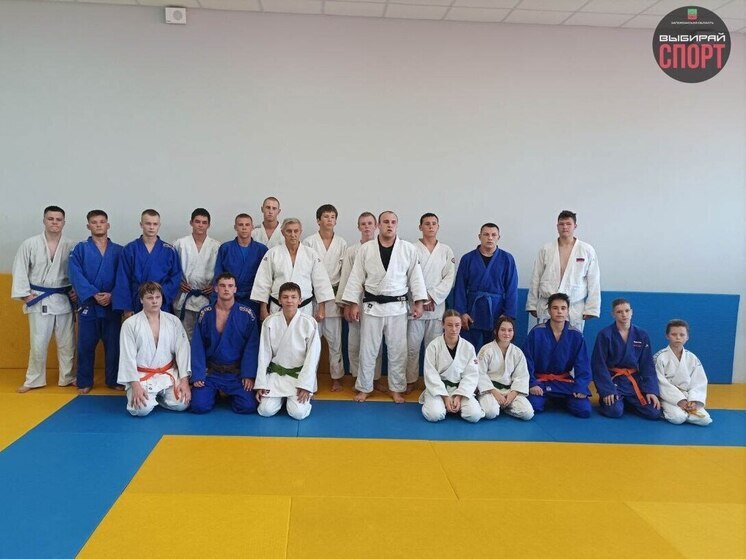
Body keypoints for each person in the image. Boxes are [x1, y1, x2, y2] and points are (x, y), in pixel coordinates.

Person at [340, 211, 428, 403]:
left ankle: (396, 389)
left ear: (397, 225)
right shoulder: (366, 249)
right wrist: (353, 303)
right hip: (372, 306)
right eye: (385, 222)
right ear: (379, 225)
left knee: (398, 351)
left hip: (397, 307)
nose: (389, 225)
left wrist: (419, 303)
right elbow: (356, 277)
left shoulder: (407, 249)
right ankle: (364, 387)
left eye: (393, 222)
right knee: (368, 349)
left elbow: (416, 277)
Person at [12, 205, 77, 392]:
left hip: (63, 298)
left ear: (64, 222)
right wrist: (24, 294)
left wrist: (76, 290)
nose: (54, 222)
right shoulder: (30, 244)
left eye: (58, 219)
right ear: (44, 220)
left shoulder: (72, 245)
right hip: (39, 298)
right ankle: (33, 380)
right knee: (38, 342)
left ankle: (67, 376)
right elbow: (20, 268)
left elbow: (78, 271)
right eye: (51, 219)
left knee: (67, 342)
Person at [68, 210, 123, 393]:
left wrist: (113, 294)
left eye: (102, 221)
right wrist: (92, 293)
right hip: (89, 305)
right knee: (85, 344)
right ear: (88, 226)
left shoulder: (119, 251)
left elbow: (124, 276)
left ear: (108, 225)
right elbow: (75, 273)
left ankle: (113, 379)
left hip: (112, 305)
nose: (98, 225)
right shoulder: (80, 249)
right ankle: (84, 381)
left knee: (114, 345)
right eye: (94, 222)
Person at [117, 281, 191, 417]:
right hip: (142, 376)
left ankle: (158, 398)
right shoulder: (130, 324)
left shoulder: (173, 321)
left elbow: (183, 351)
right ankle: (150, 397)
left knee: (183, 404)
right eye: (150, 298)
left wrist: (184, 381)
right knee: (141, 410)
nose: (155, 301)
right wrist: (135, 386)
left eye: (158, 297)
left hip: (167, 373)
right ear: (141, 300)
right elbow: (127, 357)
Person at [190, 273, 260, 414]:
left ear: (235, 289)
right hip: (211, 372)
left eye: (230, 286)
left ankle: (229, 394)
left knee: (248, 406)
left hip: (236, 373)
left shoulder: (247, 314)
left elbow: (252, 347)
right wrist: (198, 374)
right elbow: (197, 345)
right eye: (222, 286)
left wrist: (248, 374)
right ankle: (214, 393)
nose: (226, 289)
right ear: (216, 288)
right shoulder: (205, 313)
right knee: (198, 406)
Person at [255, 282, 321, 420]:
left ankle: (292, 400)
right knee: (265, 410)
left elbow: (312, 357)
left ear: (300, 300)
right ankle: (282, 399)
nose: (289, 300)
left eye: (293, 297)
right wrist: (261, 383)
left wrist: (306, 385)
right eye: (285, 297)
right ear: (279, 300)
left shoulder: (309, 323)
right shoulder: (269, 322)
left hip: (298, 376)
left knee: (298, 413)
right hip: (275, 375)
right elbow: (264, 354)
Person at [526, 210, 600, 331]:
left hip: (574, 306)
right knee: (544, 339)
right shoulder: (546, 249)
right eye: (561, 224)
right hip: (548, 304)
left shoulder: (586, 250)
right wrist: (532, 304)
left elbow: (594, 280)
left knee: (572, 340)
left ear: (575, 226)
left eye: (568, 224)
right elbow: (536, 277)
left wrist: (591, 308)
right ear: (557, 226)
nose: (565, 227)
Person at [406, 213, 456, 393]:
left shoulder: (446, 250)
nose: (430, 226)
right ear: (420, 227)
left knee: (433, 349)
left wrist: (432, 296)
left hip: (436, 307)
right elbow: (407, 276)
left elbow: (449, 277)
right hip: (416, 307)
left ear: (438, 227)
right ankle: (410, 380)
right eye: (427, 223)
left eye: (434, 223)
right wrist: (421, 298)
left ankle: (432, 383)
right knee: (411, 348)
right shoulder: (411, 248)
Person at [251, 218, 334, 322]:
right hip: (278, 307)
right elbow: (263, 280)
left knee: (303, 332)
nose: (293, 234)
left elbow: (321, 281)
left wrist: (322, 308)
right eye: (289, 231)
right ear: (282, 232)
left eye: (296, 231)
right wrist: (263, 308)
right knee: (278, 332)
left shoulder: (311, 254)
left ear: (300, 232)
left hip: (304, 307)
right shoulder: (273, 253)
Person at [523, 293, 592, 418]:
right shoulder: (536, 332)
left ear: (568, 311)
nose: (559, 311)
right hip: (541, 381)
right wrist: (532, 383)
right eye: (555, 308)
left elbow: (583, 364)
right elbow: (527, 361)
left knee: (584, 410)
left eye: (563, 308)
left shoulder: (576, 335)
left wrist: (581, 387)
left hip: (563, 381)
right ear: (549, 311)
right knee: (534, 406)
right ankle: (556, 399)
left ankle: (559, 399)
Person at [302, 204, 348, 391]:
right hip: (313, 297)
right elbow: (305, 270)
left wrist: (344, 300)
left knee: (335, 341)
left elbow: (344, 273)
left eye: (332, 217)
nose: (329, 220)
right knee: (311, 340)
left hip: (334, 298)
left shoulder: (342, 243)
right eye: (326, 216)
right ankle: (309, 378)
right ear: (318, 220)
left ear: (336, 220)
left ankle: (336, 377)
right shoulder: (309, 242)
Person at [591, 298, 661, 420]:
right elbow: (598, 365)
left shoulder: (641, 334)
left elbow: (647, 365)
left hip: (633, 382)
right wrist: (607, 391)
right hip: (614, 381)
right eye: (619, 312)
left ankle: (627, 402)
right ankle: (618, 402)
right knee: (614, 411)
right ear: (613, 314)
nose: (624, 314)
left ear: (631, 312)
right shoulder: (605, 334)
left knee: (654, 412)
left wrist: (651, 391)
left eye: (627, 311)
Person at [453, 223, 518, 351]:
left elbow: (512, 288)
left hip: (496, 312)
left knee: (494, 351)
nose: (490, 238)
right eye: (486, 234)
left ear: (499, 237)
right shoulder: (468, 258)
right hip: (472, 311)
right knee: (466, 350)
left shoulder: (507, 259)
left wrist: (507, 315)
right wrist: (461, 312)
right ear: (480, 236)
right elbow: (460, 287)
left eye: (493, 235)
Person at [336, 211, 382, 385]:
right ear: (358, 227)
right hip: (355, 299)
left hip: (376, 300)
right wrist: (347, 304)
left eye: (370, 223)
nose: (367, 227)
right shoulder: (351, 251)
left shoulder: (382, 248)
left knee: (375, 342)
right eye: (363, 224)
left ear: (376, 226)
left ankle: (374, 378)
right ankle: (357, 376)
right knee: (354, 341)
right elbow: (346, 277)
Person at [113, 209, 181, 317]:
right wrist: (127, 307)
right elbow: (123, 279)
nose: (151, 227)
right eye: (148, 223)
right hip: (136, 302)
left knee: (160, 328)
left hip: (160, 301)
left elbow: (176, 277)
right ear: (141, 225)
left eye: (155, 224)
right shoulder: (129, 249)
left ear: (159, 225)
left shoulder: (169, 250)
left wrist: (160, 295)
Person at [420, 309, 484, 423]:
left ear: (461, 325)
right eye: (449, 325)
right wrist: (445, 397)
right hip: (438, 389)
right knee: (434, 415)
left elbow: (471, 375)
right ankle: (439, 404)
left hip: (460, 389)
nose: (454, 329)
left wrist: (459, 396)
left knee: (475, 415)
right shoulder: (433, 346)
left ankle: (455, 404)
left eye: (457, 325)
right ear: (443, 325)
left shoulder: (468, 347)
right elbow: (431, 374)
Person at [172, 208, 221, 339]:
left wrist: (215, 286)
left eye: (204, 222)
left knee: (205, 337)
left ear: (208, 225)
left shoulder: (216, 246)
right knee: (183, 337)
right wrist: (178, 283)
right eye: (197, 221)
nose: (200, 225)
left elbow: (221, 271)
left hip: (207, 298)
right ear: (191, 223)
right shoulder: (180, 244)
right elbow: (171, 268)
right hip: (184, 296)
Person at [654, 319, 712, 426]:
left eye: (682, 335)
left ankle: (687, 411)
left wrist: (694, 400)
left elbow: (699, 382)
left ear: (687, 337)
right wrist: (679, 400)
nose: (678, 337)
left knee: (705, 420)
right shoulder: (660, 357)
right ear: (667, 336)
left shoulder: (692, 358)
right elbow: (660, 382)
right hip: (668, 397)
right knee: (678, 418)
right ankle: (667, 410)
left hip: (688, 396)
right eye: (674, 334)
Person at [477, 315, 534, 421]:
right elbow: (480, 374)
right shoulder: (486, 350)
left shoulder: (517, 352)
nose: (506, 333)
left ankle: (506, 407)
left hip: (509, 390)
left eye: (510, 330)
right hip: (490, 391)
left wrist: (513, 394)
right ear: (496, 331)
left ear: (513, 332)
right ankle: (497, 406)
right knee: (490, 412)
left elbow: (522, 376)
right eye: (503, 330)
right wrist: (495, 393)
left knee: (528, 413)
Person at [214, 213, 268, 312]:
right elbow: (218, 275)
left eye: (247, 225)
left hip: (253, 299)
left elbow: (265, 278)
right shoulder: (225, 248)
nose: (244, 228)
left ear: (252, 227)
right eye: (240, 225)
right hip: (229, 297)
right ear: (235, 227)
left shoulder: (262, 249)